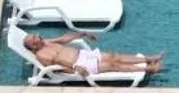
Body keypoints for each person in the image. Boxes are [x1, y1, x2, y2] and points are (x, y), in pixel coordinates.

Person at [20, 30, 163, 77]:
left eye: (35, 35)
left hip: (83, 55)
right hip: (80, 65)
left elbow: (63, 38)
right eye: (35, 38)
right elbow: (60, 63)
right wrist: (76, 67)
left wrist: (82, 33)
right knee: (113, 64)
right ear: (33, 46)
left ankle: (148, 58)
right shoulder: (41, 55)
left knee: (115, 56)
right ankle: (148, 68)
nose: (38, 36)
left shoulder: (46, 42)